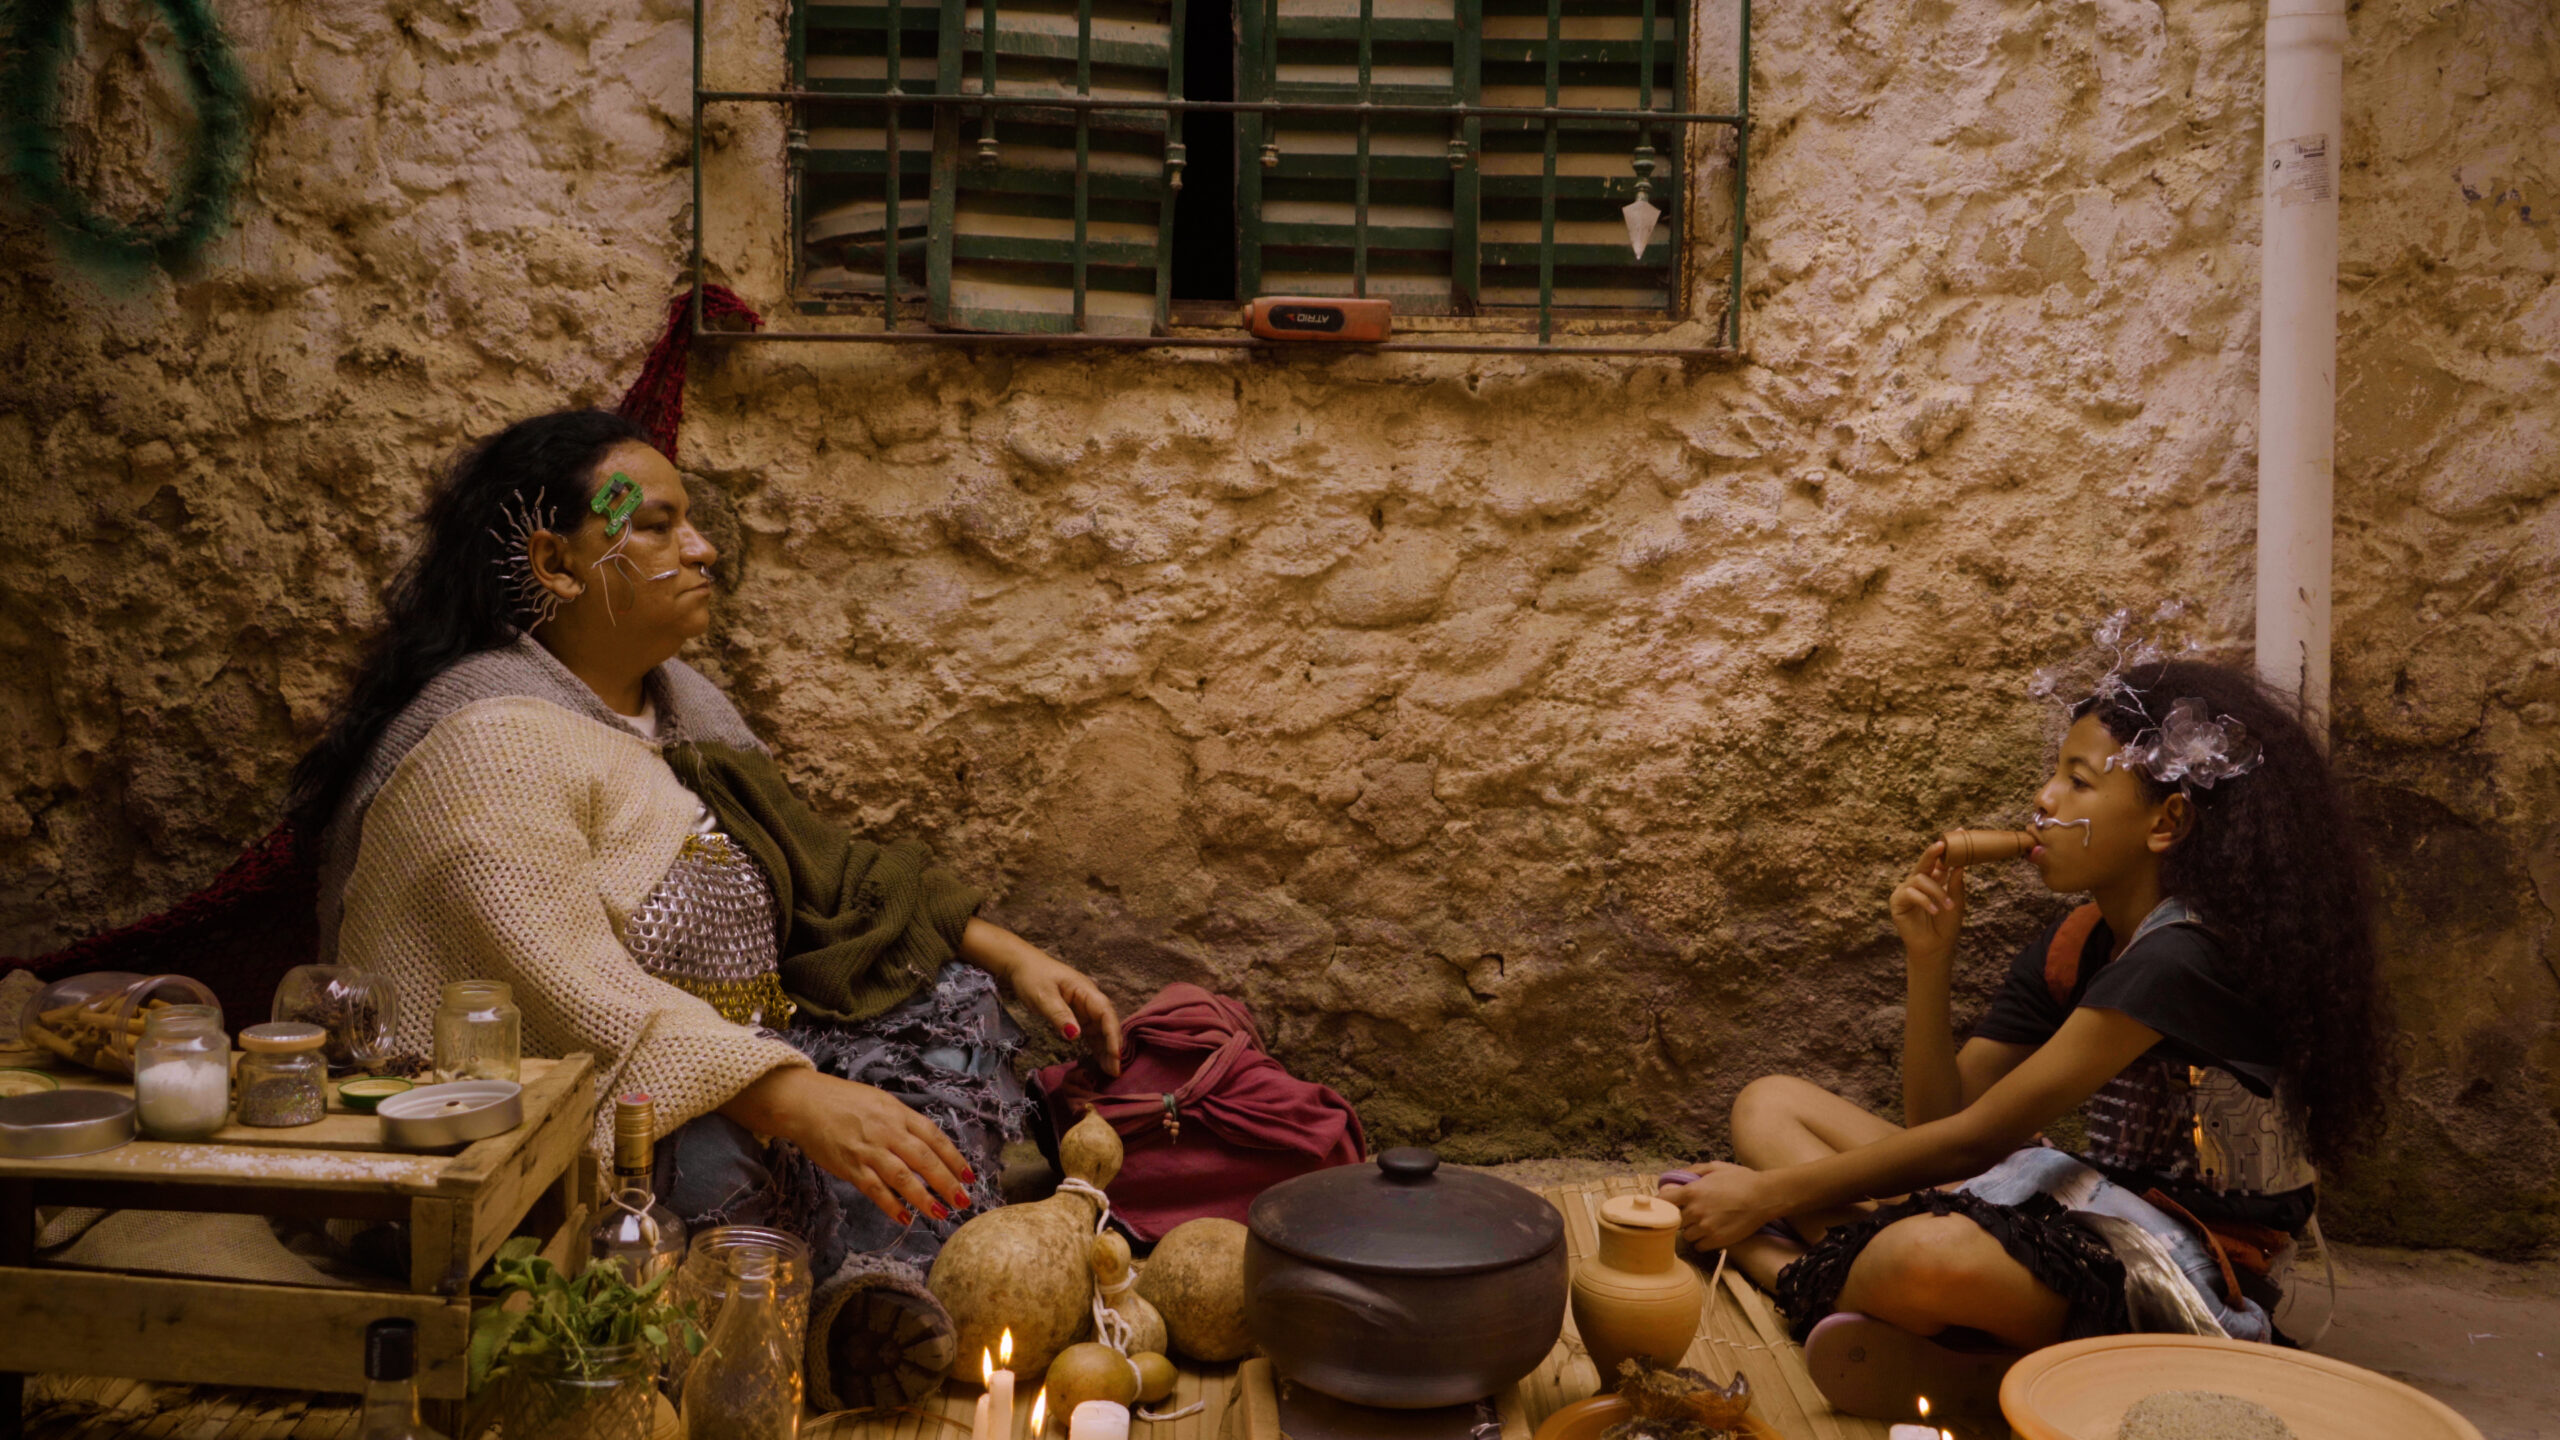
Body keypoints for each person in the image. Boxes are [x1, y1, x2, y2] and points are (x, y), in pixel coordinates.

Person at [289, 408, 1125, 1406]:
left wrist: (1005, 949)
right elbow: (558, 985)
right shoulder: (488, 743)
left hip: (757, 1058)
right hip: (625, 1118)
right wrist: (782, 1094)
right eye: (651, 523)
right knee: (696, 1146)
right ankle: (785, 1302)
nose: (702, 548)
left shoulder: (686, 708)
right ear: (554, 562)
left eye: (693, 521)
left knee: (951, 998)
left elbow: (823, 877)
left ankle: (869, 1287)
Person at [1658, 653, 2390, 1425]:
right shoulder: (2079, 941)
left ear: (2166, 822)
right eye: (2055, 774)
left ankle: (1782, 1264)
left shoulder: (2184, 958)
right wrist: (1930, 961)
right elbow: (1941, 1125)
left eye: (2078, 781)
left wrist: (1763, 1203)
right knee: (1770, 1107)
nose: (2042, 801)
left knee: (1925, 1257)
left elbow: (1969, 1142)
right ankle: (1936, 1325)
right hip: (2088, 1209)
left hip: (2183, 1270)